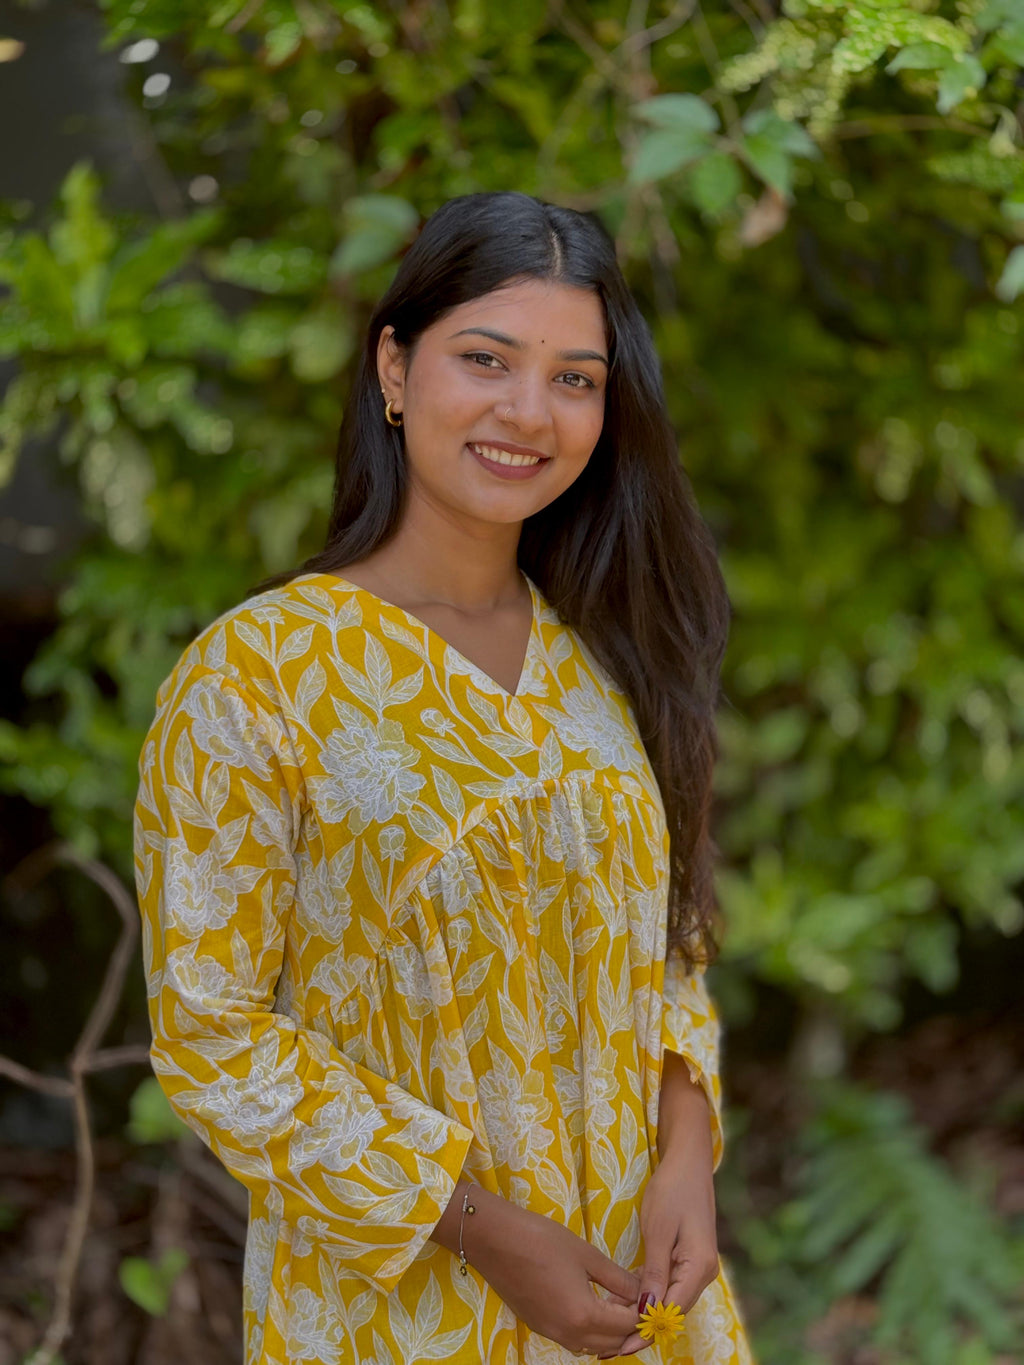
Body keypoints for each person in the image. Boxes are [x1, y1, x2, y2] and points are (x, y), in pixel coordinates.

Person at [133, 191, 752, 1364]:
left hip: (639, 1305)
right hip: (392, 1315)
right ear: (395, 368)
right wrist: (471, 1224)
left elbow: (666, 944)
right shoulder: (257, 676)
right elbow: (210, 1033)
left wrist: (684, 1150)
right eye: (487, 360)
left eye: (575, 379)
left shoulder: (608, 660)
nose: (532, 412)